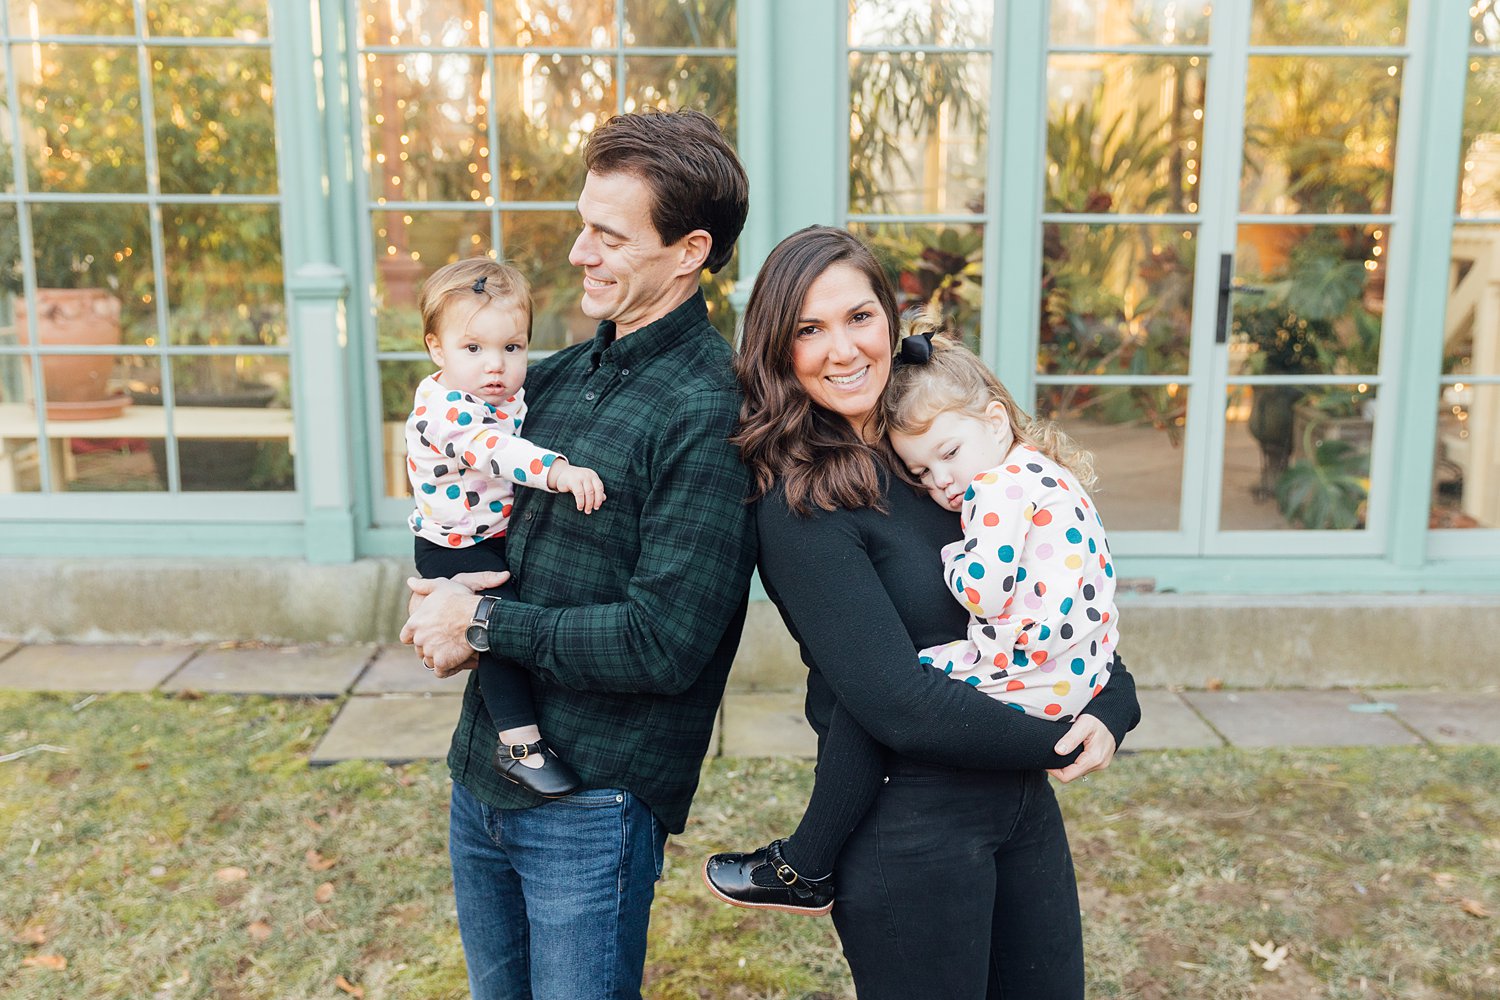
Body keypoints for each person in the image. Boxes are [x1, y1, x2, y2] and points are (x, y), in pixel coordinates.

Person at [702, 225, 1140, 999]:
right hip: (909, 825)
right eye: (810, 329)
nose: (842, 349)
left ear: (891, 322)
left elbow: (1061, 601)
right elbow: (897, 703)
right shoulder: (805, 503)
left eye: (859, 317)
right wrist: (1055, 739)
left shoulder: (953, 459)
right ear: (780, 348)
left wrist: (1113, 704)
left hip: (1021, 810)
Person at [398, 109, 755, 1000]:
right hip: (480, 772)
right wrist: (437, 597)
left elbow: (663, 642)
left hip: (593, 801)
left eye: (608, 234)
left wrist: (476, 618)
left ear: (688, 251)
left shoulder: (709, 415)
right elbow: (454, 512)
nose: (577, 254)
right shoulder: (541, 380)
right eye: (581, 224)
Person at [406, 257, 607, 799]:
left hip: (489, 533)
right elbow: (496, 452)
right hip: (456, 545)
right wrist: (559, 471)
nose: (495, 366)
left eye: (511, 348)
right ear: (437, 349)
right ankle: (520, 746)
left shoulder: (501, 394)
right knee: (493, 624)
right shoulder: (447, 412)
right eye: (473, 349)